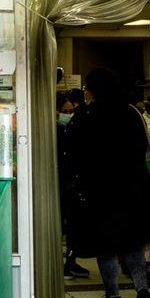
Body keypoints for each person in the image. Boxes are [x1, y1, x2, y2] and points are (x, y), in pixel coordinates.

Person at [68, 68, 150, 298]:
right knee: (133, 245)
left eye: (88, 88)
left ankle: (113, 297)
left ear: (94, 90)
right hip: (135, 188)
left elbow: (77, 154)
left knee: (106, 246)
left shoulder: (88, 115)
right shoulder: (132, 112)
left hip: (102, 191)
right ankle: (144, 293)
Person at [56, 92, 89, 279]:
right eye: (65, 111)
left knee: (73, 227)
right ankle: (65, 263)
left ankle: (71, 261)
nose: (69, 115)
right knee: (61, 225)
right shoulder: (55, 132)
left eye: (71, 111)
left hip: (71, 184)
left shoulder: (72, 130)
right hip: (58, 184)